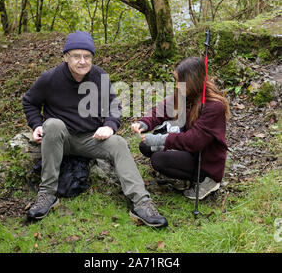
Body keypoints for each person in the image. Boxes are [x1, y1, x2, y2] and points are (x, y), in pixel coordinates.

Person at [22, 30, 167, 227]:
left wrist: (109, 125)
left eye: (87, 56)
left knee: (118, 143)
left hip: (89, 139)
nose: (82, 61)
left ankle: (141, 203)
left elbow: (114, 106)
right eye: (76, 56)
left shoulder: (99, 76)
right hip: (59, 139)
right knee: (53, 124)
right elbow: (29, 102)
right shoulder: (50, 78)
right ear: (66, 57)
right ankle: (47, 194)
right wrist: (36, 125)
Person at [131, 57, 230, 200]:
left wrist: (161, 139)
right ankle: (183, 173)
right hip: (189, 150)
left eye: (179, 80)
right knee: (145, 146)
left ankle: (207, 181)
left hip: (206, 159)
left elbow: (194, 140)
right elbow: (163, 109)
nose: (177, 85)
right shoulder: (185, 93)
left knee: (158, 160)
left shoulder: (214, 106)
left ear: (192, 81)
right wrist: (144, 123)